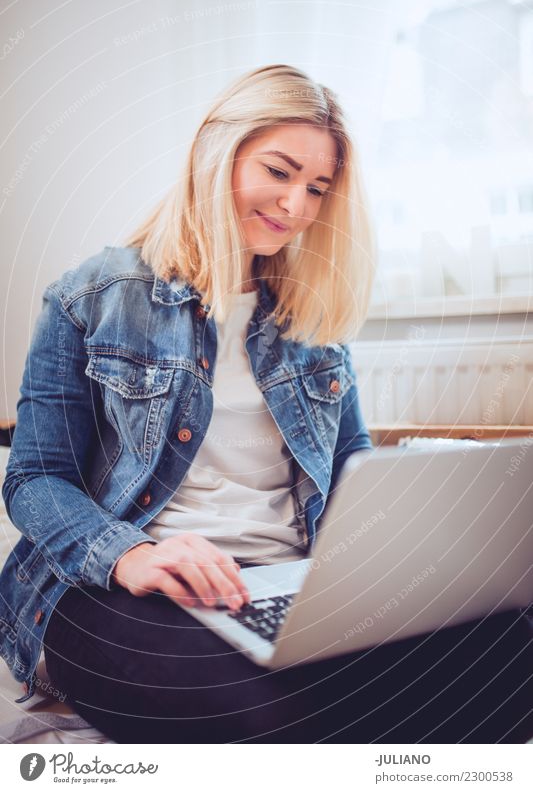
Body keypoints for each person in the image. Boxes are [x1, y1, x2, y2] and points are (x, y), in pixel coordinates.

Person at [1, 65, 531, 744]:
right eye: (279, 171)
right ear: (215, 153)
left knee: (508, 650)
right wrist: (125, 553)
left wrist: (419, 560)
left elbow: (351, 474)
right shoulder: (93, 296)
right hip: (123, 591)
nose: (296, 205)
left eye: (315, 188)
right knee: (263, 716)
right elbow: (33, 477)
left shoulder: (309, 323)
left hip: (290, 588)